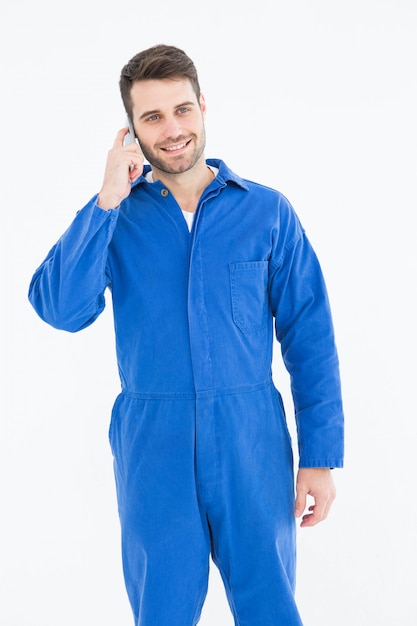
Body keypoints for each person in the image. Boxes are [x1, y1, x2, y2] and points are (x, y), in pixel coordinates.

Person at [28, 44, 344, 626]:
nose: (171, 130)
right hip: (154, 443)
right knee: (162, 612)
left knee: (271, 609)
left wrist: (320, 457)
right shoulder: (116, 215)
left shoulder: (268, 213)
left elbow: (310, 337)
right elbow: (59, 309)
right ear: (131, 131)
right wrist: (105, 200)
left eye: (181, 110)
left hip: (251, 439)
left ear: (203, 107)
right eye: (152, 118)